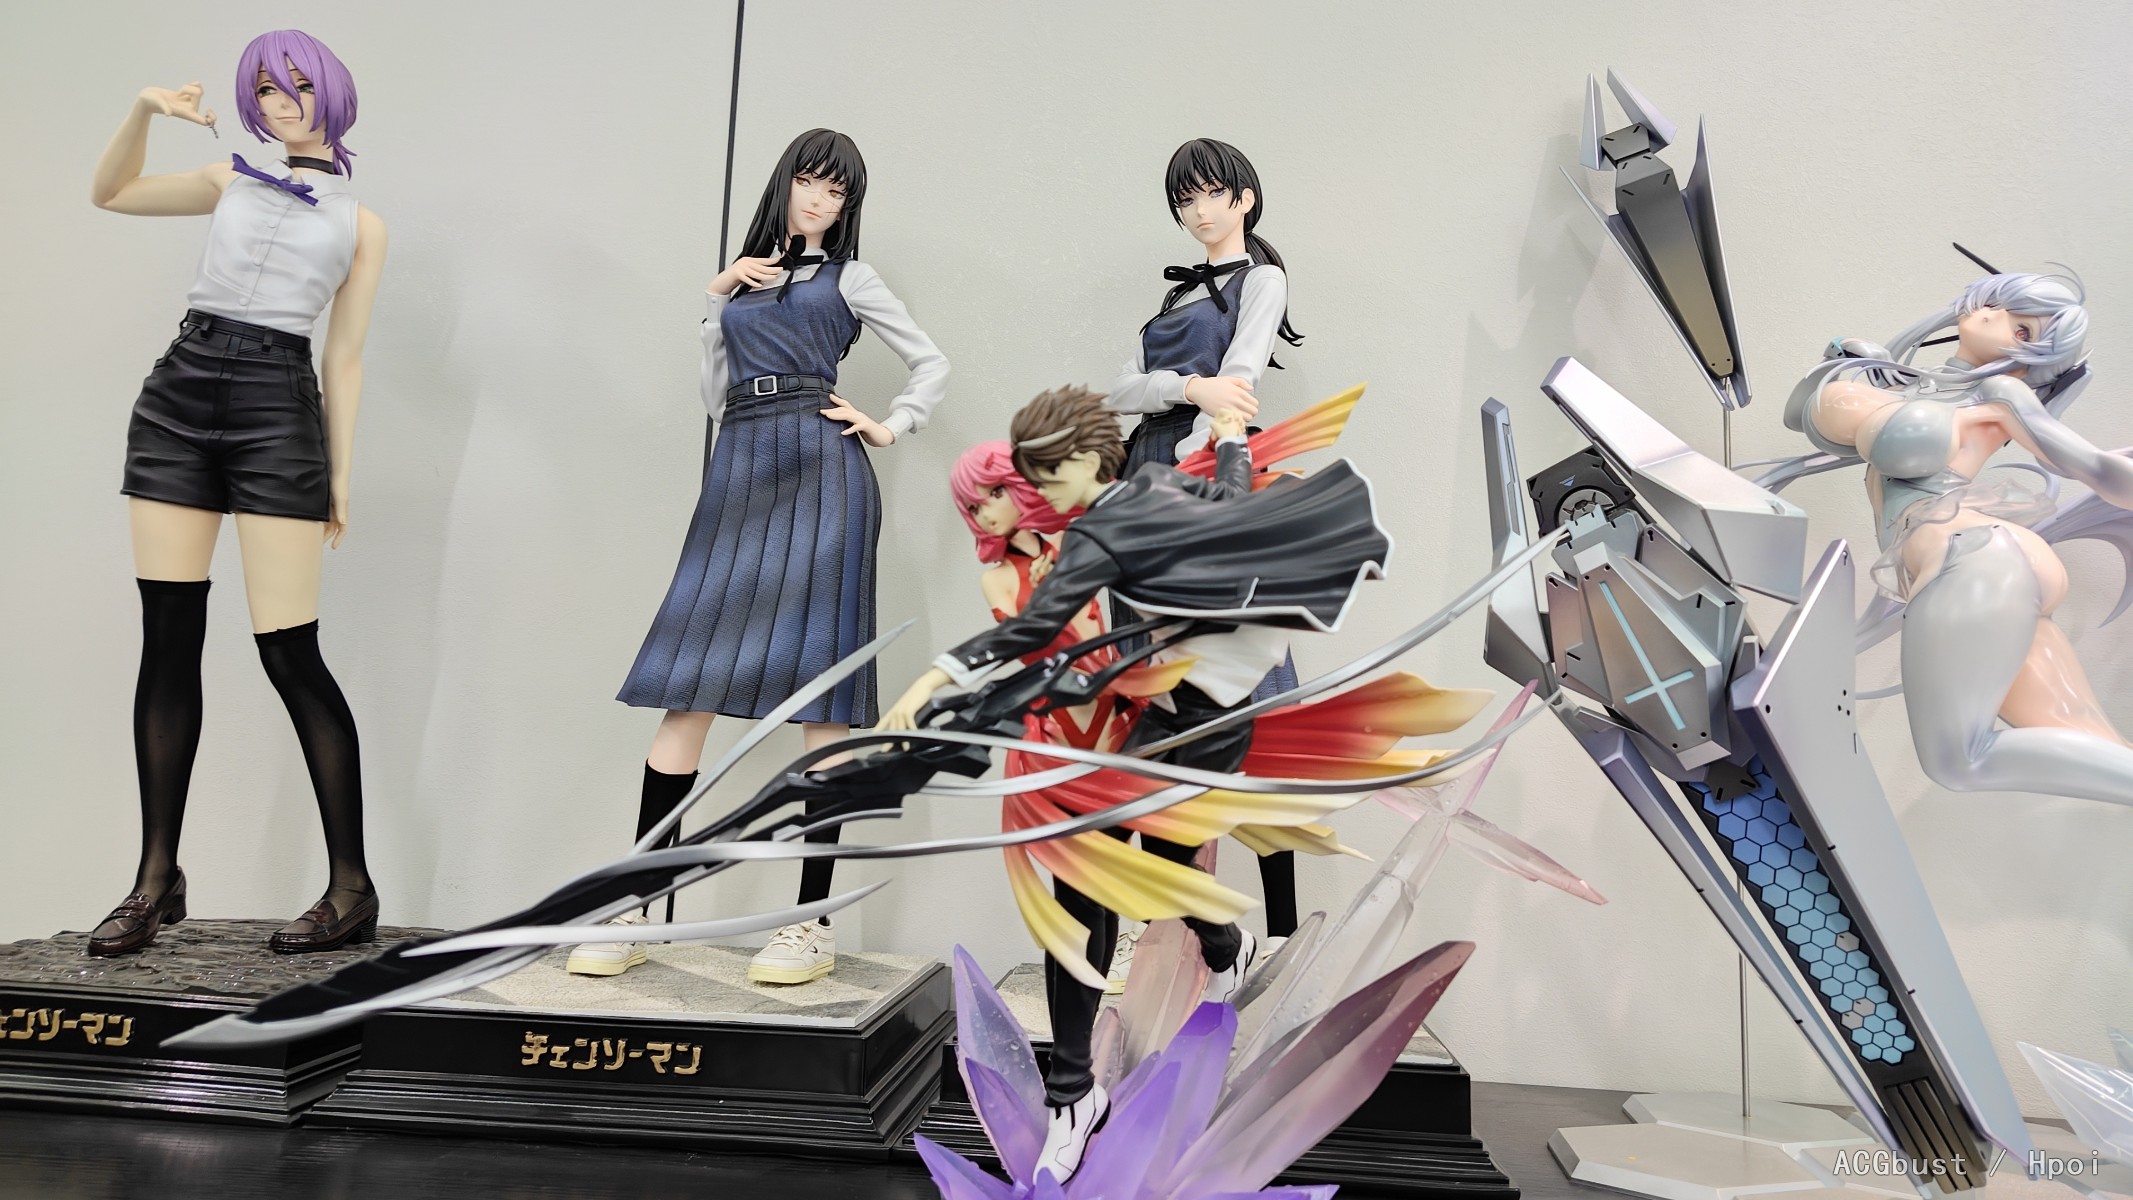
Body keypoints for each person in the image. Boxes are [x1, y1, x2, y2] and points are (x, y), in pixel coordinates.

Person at [86, 30, 389, 956]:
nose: (280, 99)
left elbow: (344, 358)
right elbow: (112, 193)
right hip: (179, 395)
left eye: (297, 83)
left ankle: (351, 886)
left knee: (289, 651)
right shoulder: (231, 178)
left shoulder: (362, 224)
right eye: (264, 86)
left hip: (277, 409)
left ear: (330, 92)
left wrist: (338, 473)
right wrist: (144, 109)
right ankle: (155, 878)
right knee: (168, 638)